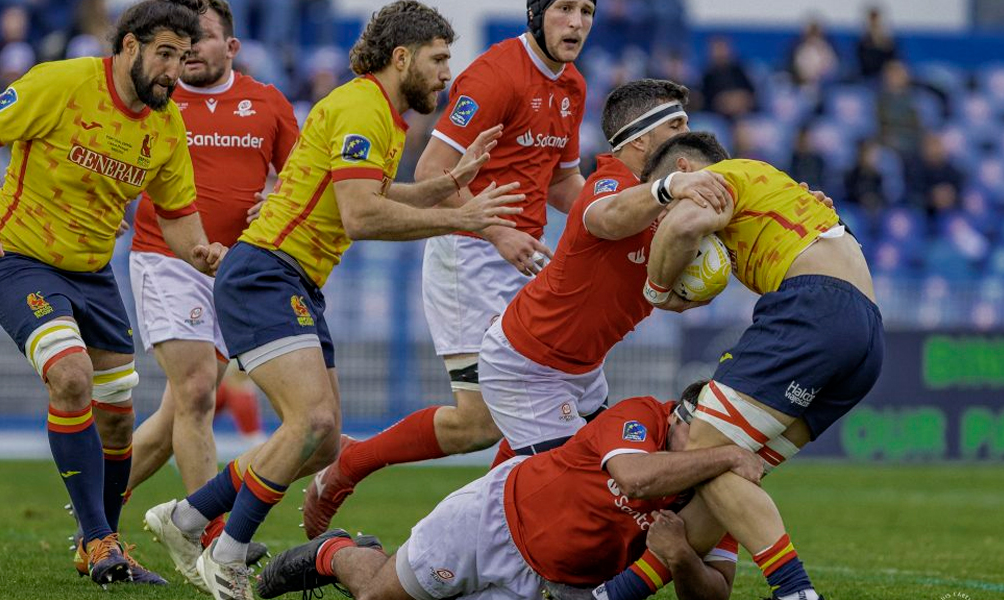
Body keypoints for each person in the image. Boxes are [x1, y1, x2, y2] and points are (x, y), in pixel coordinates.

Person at [144, 3, 525, 599]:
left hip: (291, 279)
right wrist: (465, 218)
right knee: (313, 422)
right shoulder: (360, 107)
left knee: (321, 441)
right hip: (265, 272)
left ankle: (187, 518)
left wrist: (448, 185)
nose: (448, 73)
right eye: (439, 59)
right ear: (402, 57)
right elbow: (362, 213)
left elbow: (373, 190)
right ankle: (228, 552)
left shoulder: (382, 114)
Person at [0, 0, 226, 586]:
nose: (174, 70)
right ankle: (101, 543)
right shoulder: (63, 82)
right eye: (165, 55)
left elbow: (176, 214)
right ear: (129, 47)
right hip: (18, 260)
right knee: (70, 376)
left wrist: (200, 249)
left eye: (183, 57)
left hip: (94, 275)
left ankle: (97, 542)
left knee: (119, 421)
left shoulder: (166, 125)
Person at [302, 0, 596, 540]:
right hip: (471, 254)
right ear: (536, 14)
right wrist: (495, 229)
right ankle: (347, 468)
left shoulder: (573, 85)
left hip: (524, 257)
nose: (576, 22)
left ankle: (500, 535)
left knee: (561, 401)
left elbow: (561, 184)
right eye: (563, 9)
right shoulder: (495, 75)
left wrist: (620, 211)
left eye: (586, 10)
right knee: (479, 422)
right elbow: (433, 171)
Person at [637, 131, 883, 600]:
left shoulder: (717, 178)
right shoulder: (772, 192)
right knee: (720, 474)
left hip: (815, 306)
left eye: (663, 196)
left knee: (701, 451)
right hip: (866, 334)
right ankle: (618, 591)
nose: (662, 212)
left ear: (684, 171)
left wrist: (657, 290)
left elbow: (681, 228)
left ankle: (794, 590)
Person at [254, 381, 760, 600]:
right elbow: (634, 477)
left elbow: (715, 592)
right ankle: (335, 552)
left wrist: (681, 559)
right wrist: (729, 455)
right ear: (679, 416)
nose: (710, 448)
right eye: (705, 433)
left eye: (724, 439)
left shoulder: (714, 492)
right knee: (375, 594)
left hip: (559, 585)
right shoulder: (643, 414)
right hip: (494, 520)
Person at [123, 0, 297, 566]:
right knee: (199, 391)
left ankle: (97, 512)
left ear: (233, 47)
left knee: (179, 410)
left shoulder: (268, 102)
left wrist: (275, 202)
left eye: (203, 37)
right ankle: (210, 537)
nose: (191, 48)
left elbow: (303, 181)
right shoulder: (155, 100)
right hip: (166, 259)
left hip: (233, 272)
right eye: (181, 40)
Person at [478, 79, 729, 462]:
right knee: (572, 480)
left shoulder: (672, 206)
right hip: (530, 363)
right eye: (676, 126)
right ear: (639, 140)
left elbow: (670, 299)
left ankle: (482, 514)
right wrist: (669, 185)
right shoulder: (610, 182)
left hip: (582, 368)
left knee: (536, 475)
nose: (687, 135)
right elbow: (608, 218)